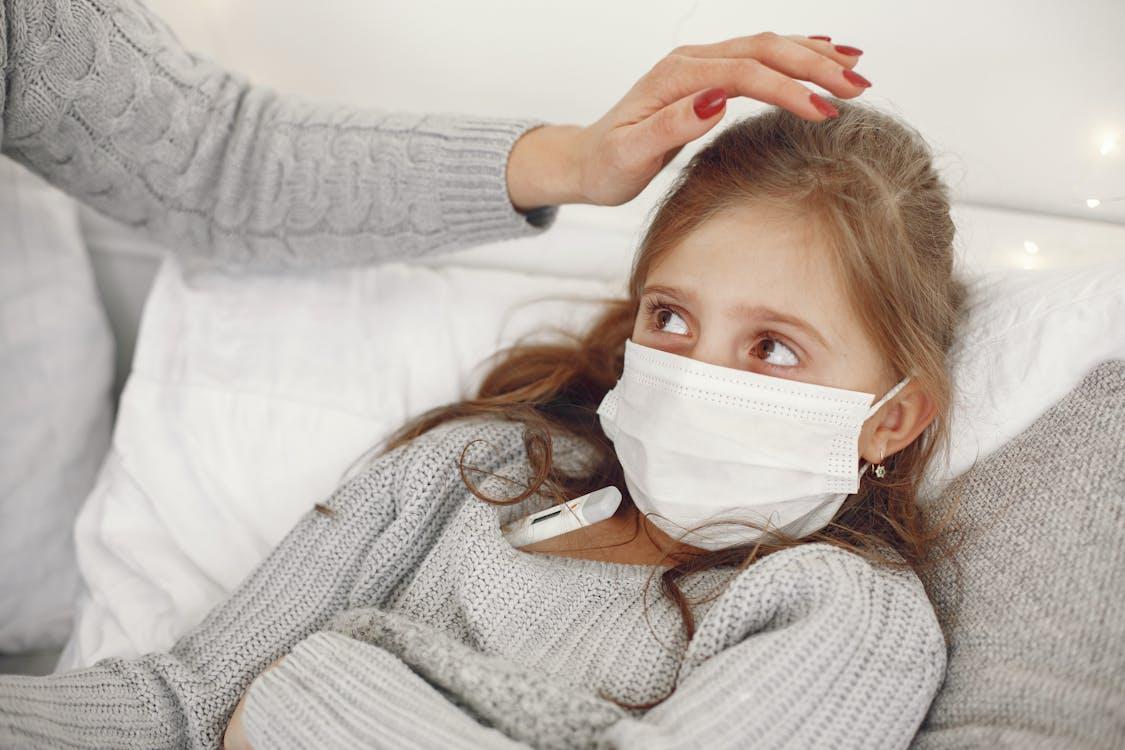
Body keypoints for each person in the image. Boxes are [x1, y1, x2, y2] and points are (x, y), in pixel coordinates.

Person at [0, 0, 955, 747]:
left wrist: (318, 687)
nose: (696, 372)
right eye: (669, 316)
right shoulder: (475, 472)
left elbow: (265, 700)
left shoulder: (840, 613)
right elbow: (184, 707)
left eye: (773, 347)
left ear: (893, 416)